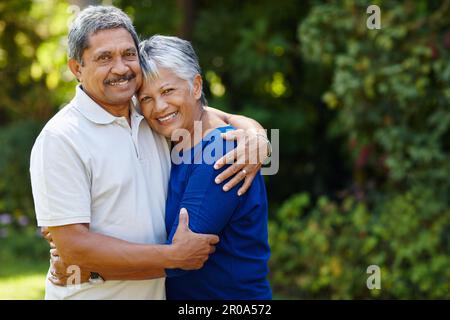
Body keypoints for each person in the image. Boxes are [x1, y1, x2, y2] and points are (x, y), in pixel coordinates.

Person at [30, 6, 270, 300]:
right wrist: (170, 256)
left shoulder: (149, 119)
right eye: (104, 57)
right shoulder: (61, 138)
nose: (120, 68)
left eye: (128, 54)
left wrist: (257, 134)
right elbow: (75, 247)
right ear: (76, 68)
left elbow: (199, 113)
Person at [137, 35, 272, 299]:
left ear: (196, 86)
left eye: (167, 91)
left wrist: (90, 264)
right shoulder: (175, 142)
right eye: (146, 98)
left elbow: (181, 259)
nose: (159, 107)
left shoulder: (220, 152)